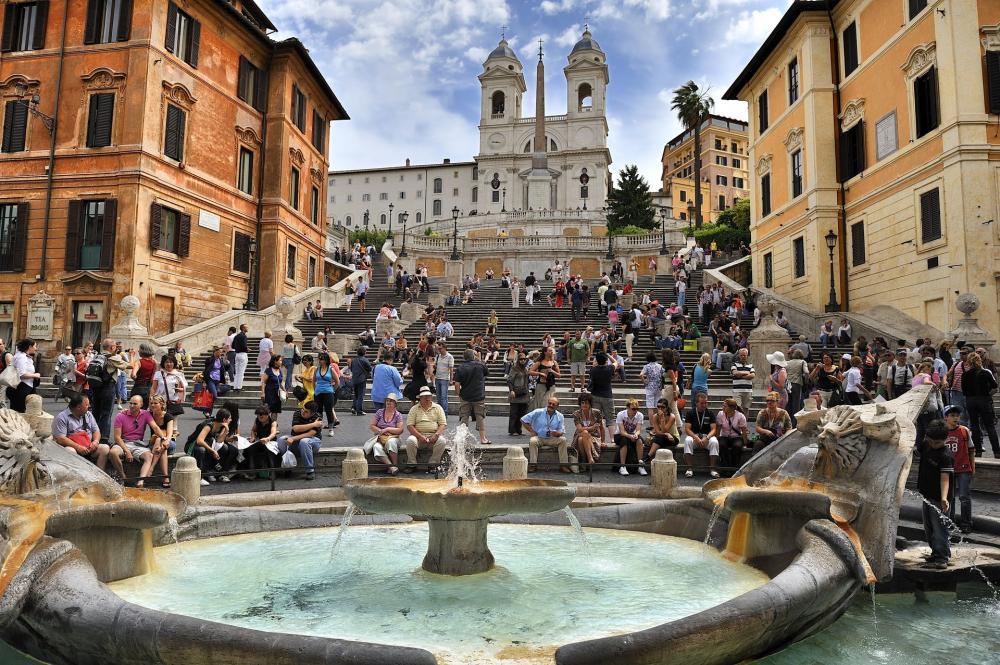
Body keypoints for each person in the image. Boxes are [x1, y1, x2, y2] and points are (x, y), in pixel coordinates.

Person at [917, 419, 953, 569]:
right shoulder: (926, 445)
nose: (933, 445)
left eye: (937, 443)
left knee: (940, 528)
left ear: (946, 439)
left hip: (939, 499)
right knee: (929, 527)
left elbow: (945, 478)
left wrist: (944, 498)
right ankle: (935, 552)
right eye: (931, 441)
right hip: (927, 495)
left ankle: (942, 558)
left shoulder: (945, 455)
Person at [111, 396, 167, 487]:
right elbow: (117, 437)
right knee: (113, 452)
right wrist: (127, 450)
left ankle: (141, 481)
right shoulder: (120, 416)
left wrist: (163, 439)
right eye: (130, 403)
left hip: (138, 444)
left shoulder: (146, 414)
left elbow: (155, 427)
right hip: (123, 443)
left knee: (149, 456)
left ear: (141, 405)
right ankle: (123, 477)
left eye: (135, 404)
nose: (132, 406)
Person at [51, 395, 110, 472]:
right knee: (70, 450)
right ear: (78, 407)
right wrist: (78, 447)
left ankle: (100, 474)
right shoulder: (62, 417)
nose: (89, 406)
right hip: (73, 447)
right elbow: (60, 439)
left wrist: (95, 442)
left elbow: (96, 431)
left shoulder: (88, 414)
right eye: (87, 405)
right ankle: (75, 476)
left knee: (104, 448)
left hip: (88, 446)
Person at [942, 405, 974, 533]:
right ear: (946, 417)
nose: (956, 418)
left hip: (964, 469)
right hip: (948, 469)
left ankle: (966, 523)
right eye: (952, 415)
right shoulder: (942, 432)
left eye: (957, 415)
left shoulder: (964, 430)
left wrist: (973, 467)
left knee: (964, 497)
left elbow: (971, 449)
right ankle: (950, 522)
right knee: (950, 498)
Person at [185, 409, 237, 486]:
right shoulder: (209, 425)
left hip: (208, 443)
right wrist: (212, 450)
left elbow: (219, 441)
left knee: (224, 447)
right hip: (192, 445)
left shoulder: (221, 426)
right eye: (229, 418)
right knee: (201, 450)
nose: (231, 420)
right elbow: (199, 440)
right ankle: (199, 477)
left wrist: (226, 430)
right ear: (224, 419)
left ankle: (212, 471)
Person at [962, 351, 999, 458]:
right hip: (983, 400)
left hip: (970, 400)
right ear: (979, 360)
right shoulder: (985, 372)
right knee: (990, 426)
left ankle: (978, 451)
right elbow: (995, 386)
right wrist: (988, 394)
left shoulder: (965, 374)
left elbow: (964, 391)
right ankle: (996, 451)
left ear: (969, 362)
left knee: (974, 425)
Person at [404, 386, 448, 473]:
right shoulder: (414, 409)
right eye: (424, 396)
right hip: (418, 437)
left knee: (442, 441)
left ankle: (433, 464)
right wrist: (420, 436)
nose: (427, 398)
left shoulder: (438, 408)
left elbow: (442, 424)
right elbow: (410, 426)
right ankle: (412, 464)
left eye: (429, 396)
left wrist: (436, 435)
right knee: (410, 440)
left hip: (433, 436)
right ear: (420, 398)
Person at [277, 401, 324, 480]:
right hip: (296, 438)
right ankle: (288, 465)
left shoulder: (318, 417)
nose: (303, 412)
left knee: (304, 441)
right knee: (281, 440)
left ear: (312, 414)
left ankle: (310, 471)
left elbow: (310, 434)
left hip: (313, 441)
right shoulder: (297, 413)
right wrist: (313, 424)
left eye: (306, 412)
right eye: (303, 409)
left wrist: (293, 438)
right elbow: (296, 428)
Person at [523, 396, 570, 473]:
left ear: (557, 406)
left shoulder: (560, 416)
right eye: (549, 403)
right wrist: (531, 431)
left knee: (563, 440)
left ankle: (563, 465)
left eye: (553, 404)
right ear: (547, 403)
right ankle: (533, 465)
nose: (551, 405)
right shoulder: (538, 412)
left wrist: (558, 433)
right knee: (532, 441)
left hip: (552, 438)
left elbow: (561, 431)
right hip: (539, 437)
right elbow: (523, 419)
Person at [454, 349, 490, 445]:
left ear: (464, 357)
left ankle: (462, 439)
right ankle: (483, 438)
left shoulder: (460, 368)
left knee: (464, 416)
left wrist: (458, 394)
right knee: (480, 416)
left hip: (465, 395)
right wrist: (478, 359)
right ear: (473, 356)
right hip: (479, 395)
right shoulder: (480, 365)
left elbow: (457, 384)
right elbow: (487, 373)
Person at [683, 392, 720, 478]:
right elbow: (687, 429)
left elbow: (714, 429)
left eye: (706, 403)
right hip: (694, 436)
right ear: (696, 403)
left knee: (714, 441)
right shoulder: (690, 413)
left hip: (706, 437)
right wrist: (695, 437)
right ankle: (689, 469)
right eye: (702, 403)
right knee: (687, 440)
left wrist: (707, 437)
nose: (704, 405)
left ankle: (712, 469)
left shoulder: (710, 413)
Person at [369, 393, 404, 475]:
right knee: (376, 447)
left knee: (391, 442)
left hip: (394, 438)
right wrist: (381, 431)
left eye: (391, 401)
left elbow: (400, 430)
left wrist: (387, 429)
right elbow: (372, 425)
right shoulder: (380, 412)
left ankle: (395, 464)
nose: (388, 402)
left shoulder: (398, 415)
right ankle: (392, 467)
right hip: (380, 437)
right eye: (387, 401)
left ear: (395, 404)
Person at [146, 395, 176, 487]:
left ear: (162, 404)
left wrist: (166, 441)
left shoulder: (168, 416)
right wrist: (125, 411)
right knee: (159, 441)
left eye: (155, 403)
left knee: (161, 442)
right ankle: (165, 478)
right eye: (151, 403)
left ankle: (151, 468)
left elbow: (170, 433)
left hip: (169, 443)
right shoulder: (149, 414)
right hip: (154, 443)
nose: (153, 405)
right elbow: (137, 411)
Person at [242, 406, 279, 477]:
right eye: (258, 415)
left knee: (269, 451)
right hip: (260, 441)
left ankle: (272, 472)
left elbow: (273, 433)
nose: (259, 417)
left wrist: (267, 439)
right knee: (250, 449)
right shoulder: (257, 420)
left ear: (267, 415)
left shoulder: (273, 422)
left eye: (261, 416)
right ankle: (252, 472)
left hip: (270, 442)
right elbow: (253, 430)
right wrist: (253, 437)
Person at [614, 399, 647, 476]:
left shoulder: (640, 415)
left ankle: (640, 465)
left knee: (639, 441)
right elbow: (622, 431)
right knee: (624, 440)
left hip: (632, 434)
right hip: (620, 435)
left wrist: (636, 434)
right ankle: (622, 466)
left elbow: (638, 430)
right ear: (627, 408)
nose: (635, 411)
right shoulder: (621, 414)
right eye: (633, 409)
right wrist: (629, 436)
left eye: (637, 409)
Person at [6, 338, 40, 412]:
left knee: (24, 411)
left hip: (24, 386)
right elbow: (21, 374)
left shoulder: (24, 356)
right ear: (29, 347)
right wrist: (35, 375)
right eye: (34, 346)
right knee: (19, 412)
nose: (36, 348)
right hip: (21, 387)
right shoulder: (21, 357)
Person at [572, 393, 605, 469]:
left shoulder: (597, 413)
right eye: (582, 403)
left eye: (586, 403)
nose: (584, 405)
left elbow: (602, 428)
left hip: (594, 436)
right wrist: (592, 427)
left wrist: (603, 441)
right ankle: (590, 458)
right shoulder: (576, 414)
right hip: (580, 434)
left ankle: (584, 460)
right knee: (584, 433)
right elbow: (580, 429)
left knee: (581, 440)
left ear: (590, 404)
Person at [715, 398, 747, 473]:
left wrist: (745, 443)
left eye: (725, 406)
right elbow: (718, 428)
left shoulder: (740, 416)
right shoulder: (720, 414)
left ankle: (734, 467)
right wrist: (716, 439)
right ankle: (725, 467)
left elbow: (744, 431)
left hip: (736, 437)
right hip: (724, 436)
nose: (723, 408)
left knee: (737, 446)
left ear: (731, 408)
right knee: (722, 445)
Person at [313, 352, 341, 433]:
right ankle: (319, 427)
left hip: (328, 392)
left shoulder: (330, 369)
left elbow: (337, 381)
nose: (320, 361)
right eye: (319, 359)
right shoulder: (317, 369)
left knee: (329, 410)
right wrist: (315, 389)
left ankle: (331, 428)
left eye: (322, 359)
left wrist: (333, 390)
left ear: (326, 360)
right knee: (318, 411)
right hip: (318, 392)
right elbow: (314, 380)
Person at [507, 352, 531, 436]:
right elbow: (509, 380)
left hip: (524, 393)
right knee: (514, 413)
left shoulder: (525, 369)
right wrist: (511, 390)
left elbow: (534, 355)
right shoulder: (514, 368)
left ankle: (519, 429)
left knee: (522, 413)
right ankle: (512, 430)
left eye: (524, 359)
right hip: (515, 393)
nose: (523, 360)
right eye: (521, 359)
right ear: (518, 360)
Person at [647, 397, 678, 462]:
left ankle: (648, 457)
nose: (660, 409)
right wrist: (666, 434)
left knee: (659, 438)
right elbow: (658, 432)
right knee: (660, 438)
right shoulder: (655, 416)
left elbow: (664, 430)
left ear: (666, 408)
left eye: (662, 407)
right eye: (658, 407)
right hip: (663, 437)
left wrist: (662, 419)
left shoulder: (672, 416)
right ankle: (648, 457)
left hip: (673, 437)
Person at [639, 351, 664, 422]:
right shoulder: (660, 366)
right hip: (658, 387)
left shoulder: (647, 366)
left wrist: (644, 381)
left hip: (649, 387)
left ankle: (652, 424)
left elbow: (640, 375)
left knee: (650, 407)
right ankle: (658, 422)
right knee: (658, 406)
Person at [731, 348, 755, 414]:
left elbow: (752, 375)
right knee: (737, 408)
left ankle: (744, 423)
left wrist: (740, 375)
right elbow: (735, 373)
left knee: (746, 409)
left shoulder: (750, 365)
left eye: (744, 355)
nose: (743, 357)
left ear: (747, 355)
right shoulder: (734, 364)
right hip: (737, 391)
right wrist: (747, 373)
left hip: (748, 391)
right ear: (739, 355)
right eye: (741, 355)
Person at [349, 348, 372, 416]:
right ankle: (359, 410)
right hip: (362, 379)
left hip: (354, 379)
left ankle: (354, 407)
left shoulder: (353, 360)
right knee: (360, 395)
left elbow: (351, 368)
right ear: (364, 352)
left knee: (356, 394)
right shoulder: (365, 360)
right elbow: (369, 368)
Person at [434, 342, 454, 413]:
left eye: (440, 348)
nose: (439, 350)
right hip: (437, 378)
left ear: (445, 348)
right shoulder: (438, 356)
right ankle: (439, 413)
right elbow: (435, 366)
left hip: (445, 379)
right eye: (438, 348)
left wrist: (451, 380)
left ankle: (444, 413)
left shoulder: (450, 357)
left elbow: (451, 369)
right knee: (438, 397)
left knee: (443, 397)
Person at [232, 324, 250, 390]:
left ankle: (235, 386)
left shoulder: (236, 336)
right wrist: (247, 349)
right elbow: (244, 346)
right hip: (242, 354)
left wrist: (239, 347)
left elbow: (233, 346)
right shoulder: (244, 336)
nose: (248, 328)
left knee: (237, 372)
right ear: (243, 328)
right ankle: (239, 387)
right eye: (246, 327)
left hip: (237, 354)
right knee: (241, 372)